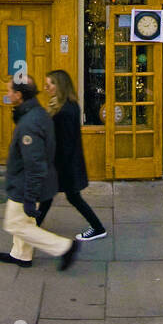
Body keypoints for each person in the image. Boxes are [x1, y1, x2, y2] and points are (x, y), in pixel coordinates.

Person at [0, 74, 76, 271]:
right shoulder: (37, 112)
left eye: (9, 91)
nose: (7, 94)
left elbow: (35, 164)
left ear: (19, 95)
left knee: (14, 224)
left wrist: (30, 198)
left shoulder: (30, 123)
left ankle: (65, 247)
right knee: (26, 221)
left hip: (25, 184)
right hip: (31, 181)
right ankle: (21, 255)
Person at [44, 68, 107, 241]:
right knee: (52, 198)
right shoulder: (66, 104)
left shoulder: (64, 110)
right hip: (66, 164)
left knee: (68, 197)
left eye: (49, 84)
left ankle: (98, 228)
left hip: (64, 165)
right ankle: (32, 228)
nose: (46, 88)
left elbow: (65, 142)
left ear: (59, 85)